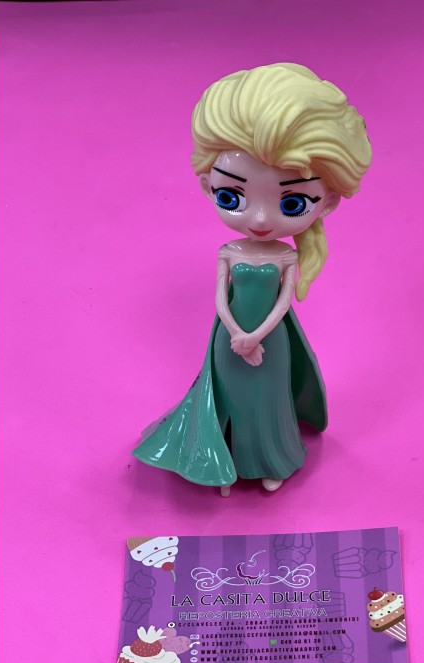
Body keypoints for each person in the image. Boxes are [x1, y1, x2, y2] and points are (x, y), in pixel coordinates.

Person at [133, 64, 372, 495]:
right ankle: (226, 463)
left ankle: (271, 460)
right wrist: (235, 333)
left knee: (268, 399)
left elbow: (283, 304)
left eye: (292, 202)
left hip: (269, 341)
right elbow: (220, 299)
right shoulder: (229, 252)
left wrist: (255, 335)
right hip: (229, 338)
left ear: (328, 201)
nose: (260, 219)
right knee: (230, 396)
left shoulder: (285, 255)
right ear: (206, 185)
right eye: (232, 196)